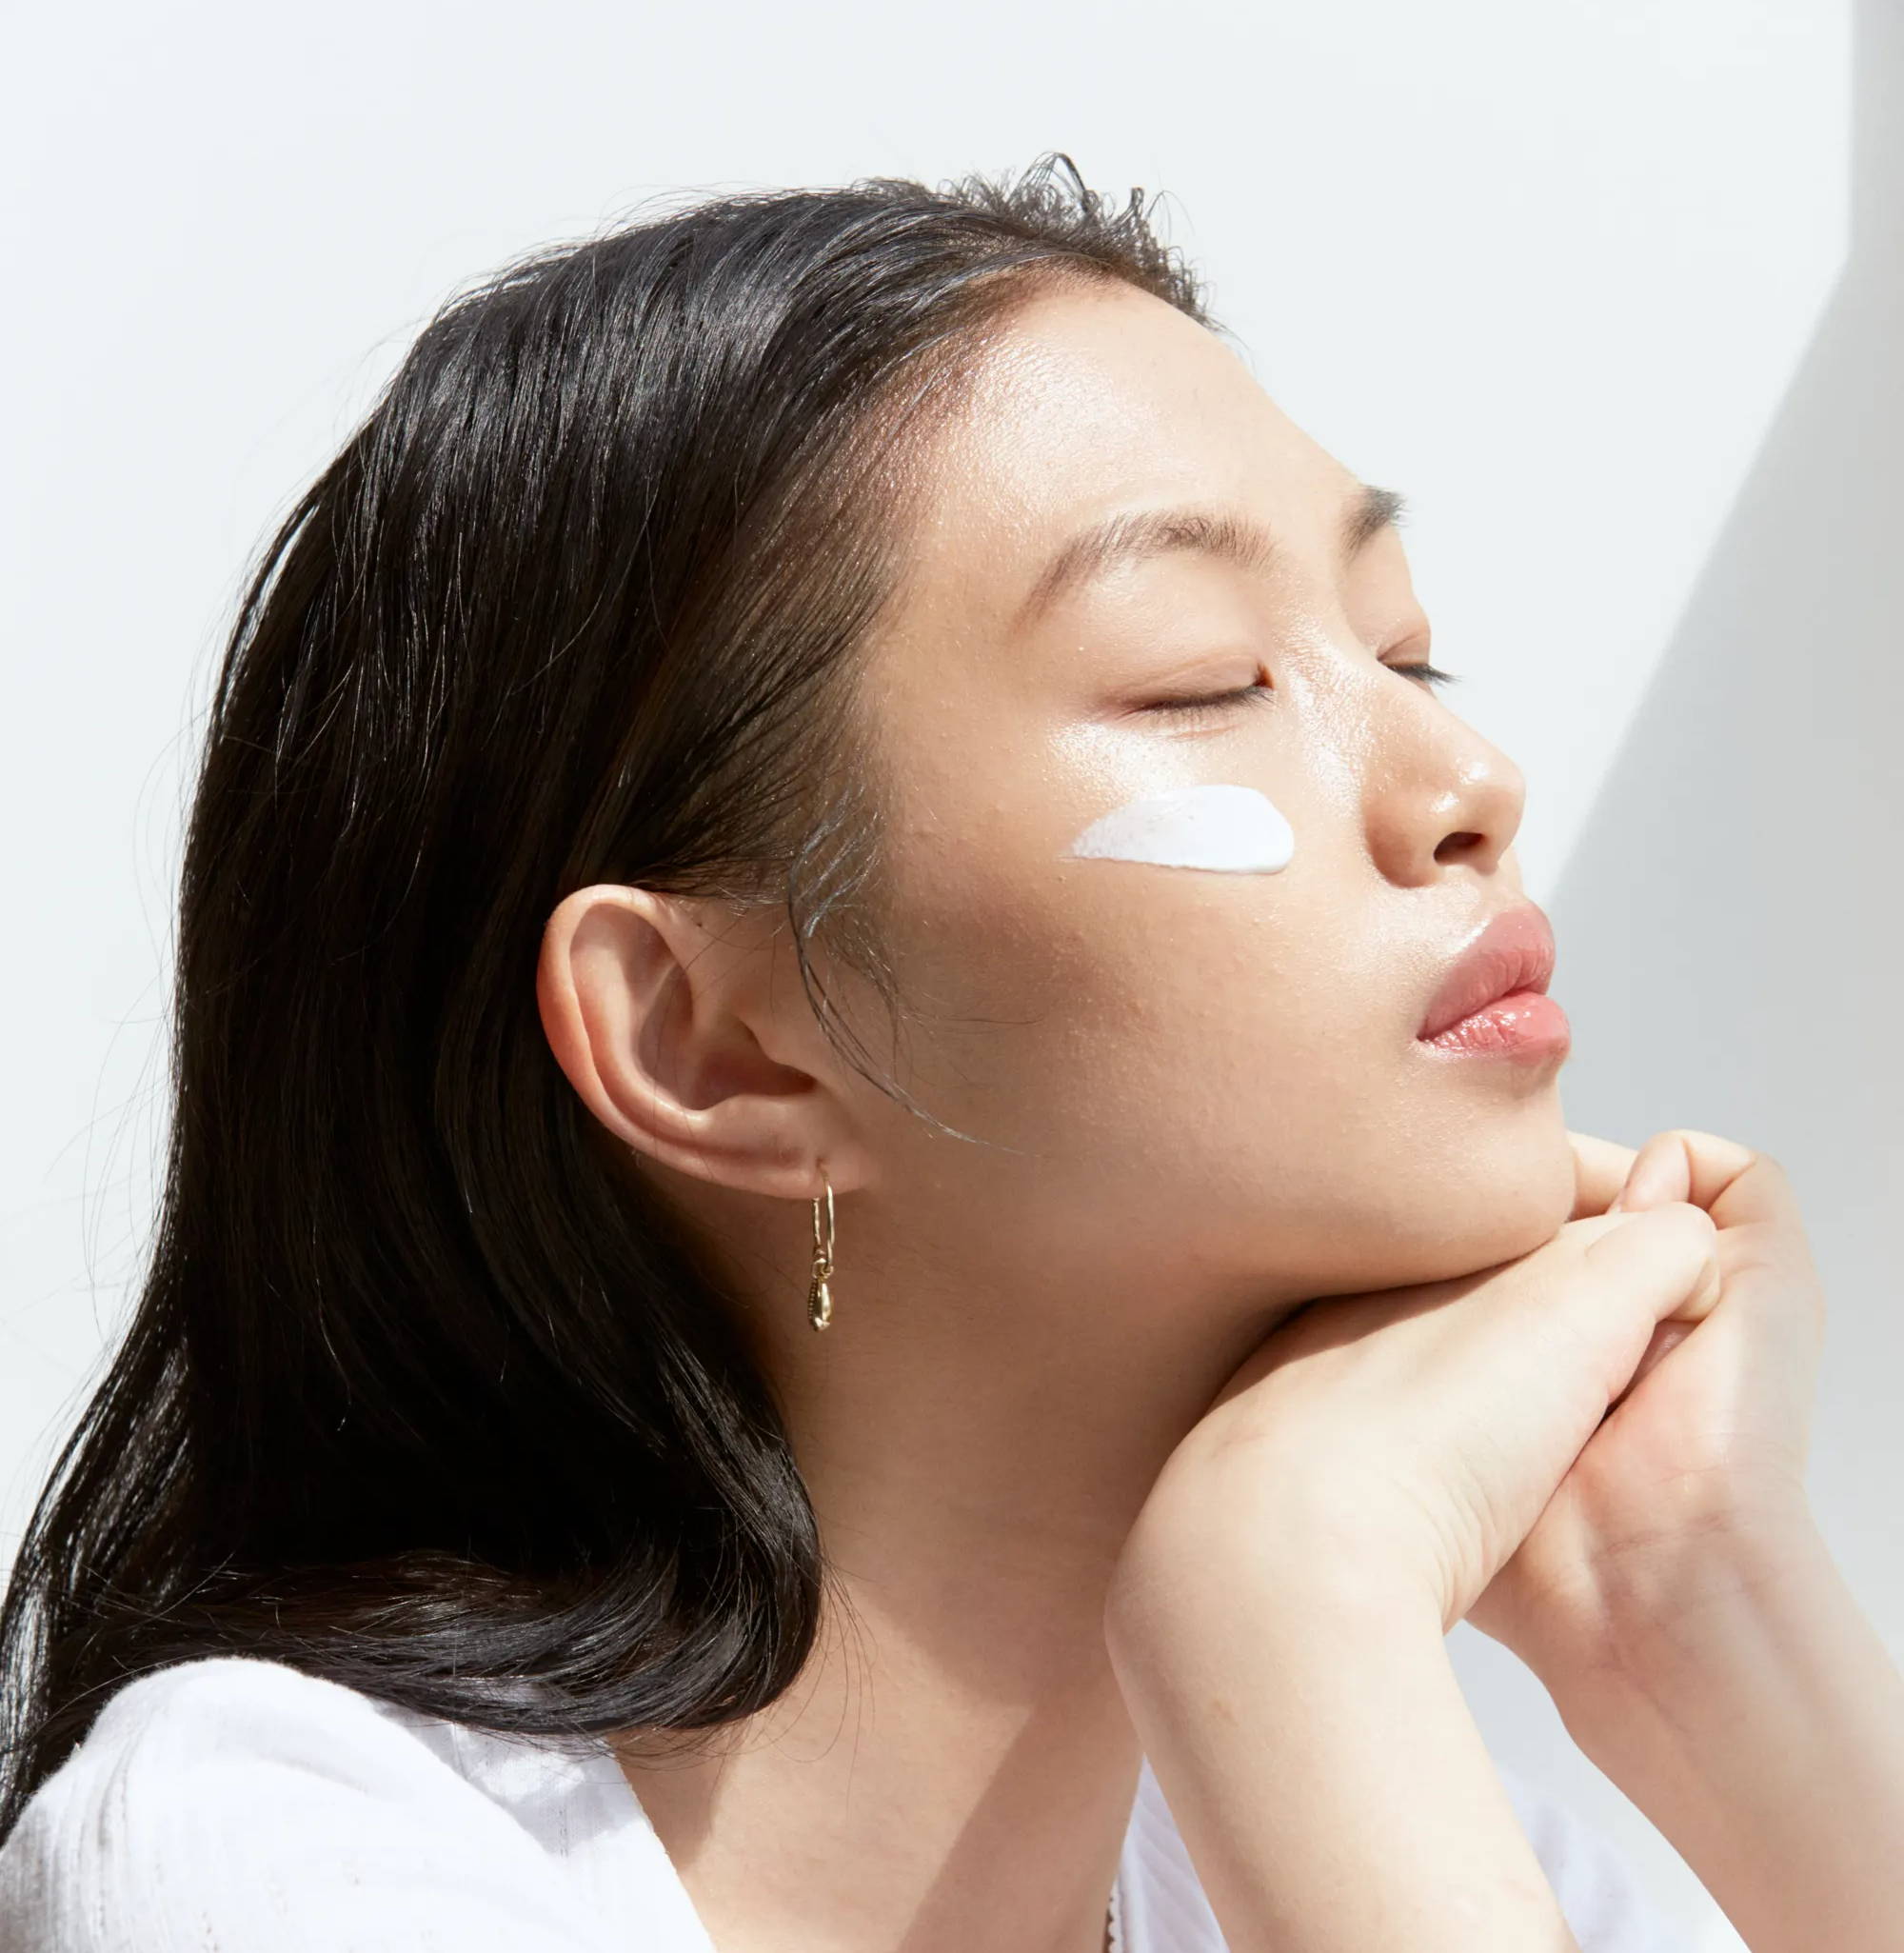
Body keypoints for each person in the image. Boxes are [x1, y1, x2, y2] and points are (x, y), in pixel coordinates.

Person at [1, 152, 1898, 1953]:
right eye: (1202, 679)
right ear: (718, 1043)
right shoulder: (276, 1859)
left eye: (1406, 659)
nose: (1467, 786)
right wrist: (1287, 1623)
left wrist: (1693, 1610)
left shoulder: (1384, 1835)